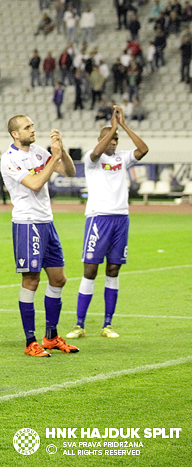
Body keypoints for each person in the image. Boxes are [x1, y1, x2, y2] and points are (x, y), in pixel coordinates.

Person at [0, 115, 78, 358]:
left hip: (47, 222)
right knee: (31, 281)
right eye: (27, 127)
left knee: (58, 279)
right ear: (15, 133)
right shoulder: (9, 159)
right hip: (27, 223)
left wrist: (60, 152)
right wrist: (53, 158)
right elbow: (34, 183)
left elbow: (69, 171)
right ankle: (30, 340)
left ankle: (51, 337)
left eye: (33, 125)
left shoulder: (39, 152)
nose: (33, 130)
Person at [67, 108, 148, 340]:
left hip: (121, 219)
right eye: (109, 138)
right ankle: (79, 325)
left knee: (113, 270)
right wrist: (112, 127)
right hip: (98, 218)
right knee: (90, 270)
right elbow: (96, 153)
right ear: (100, 140)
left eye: (115, 139)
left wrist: (123, 127)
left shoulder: (122, 157)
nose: (113, 142)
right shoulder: (92, 158)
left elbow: (143, 150)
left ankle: (107, 325)